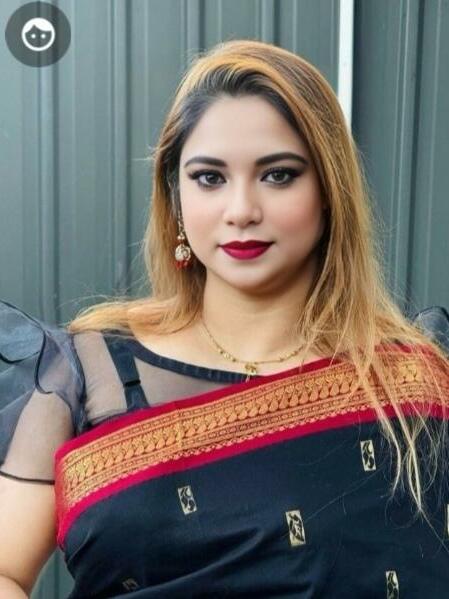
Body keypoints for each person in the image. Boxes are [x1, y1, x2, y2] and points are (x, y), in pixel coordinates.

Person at [1, 39, 448, 599]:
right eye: (210, 178)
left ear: (329, 191)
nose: (241, 211)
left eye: (278, 175)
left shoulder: (410, 384)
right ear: (175, 196)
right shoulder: (85, 374)